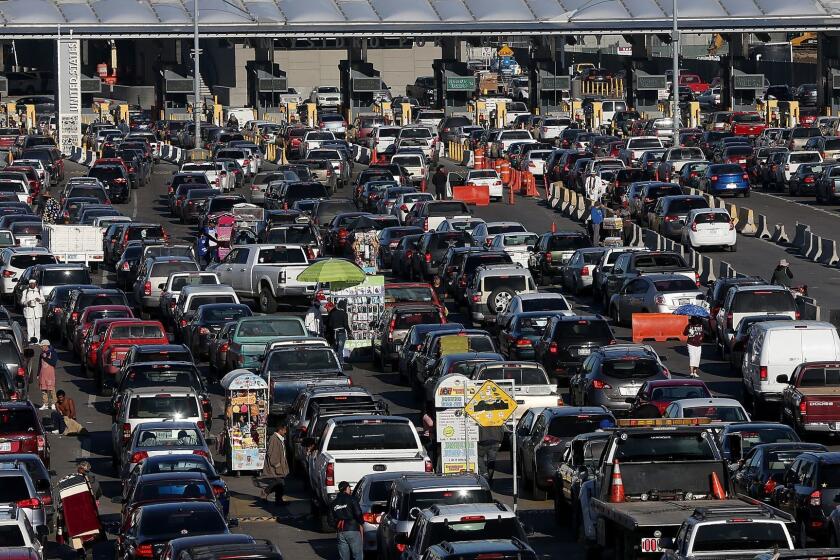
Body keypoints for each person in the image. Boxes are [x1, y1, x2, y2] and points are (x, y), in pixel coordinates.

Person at [331, 481, 364, 560]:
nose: (350, 490)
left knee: (344, 558)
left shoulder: (334, 503)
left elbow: (330, 519)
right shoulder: (352, 499)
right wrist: (361, 522)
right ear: (346, 489)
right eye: (349, 488)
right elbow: (358, 513)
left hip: (340, 531)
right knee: (358, 556)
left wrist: (336, 525)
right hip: (353, 530)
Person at [260, 425, 290, 506]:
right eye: (284, 430)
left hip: (280, 465)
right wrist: (276, 464)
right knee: (279, 482)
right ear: (280, 430)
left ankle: (278, 499)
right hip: (276, 466)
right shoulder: (274, 439)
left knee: (280, 483)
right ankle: (266, 492)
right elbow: (271, 453)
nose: (285, 432)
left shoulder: (280, 439)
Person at [38, 340, 57, 410]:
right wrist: (38, 374)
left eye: (42, 346)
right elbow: (39, 364)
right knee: (43, 389)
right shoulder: (41, 353)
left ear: (46, 346)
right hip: (43, 374)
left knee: (51, 389)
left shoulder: (53, 353)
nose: (41, 347)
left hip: (50, 374)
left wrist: (45, 357)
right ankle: (45, 404)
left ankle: (53, 403)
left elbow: (53, 363)